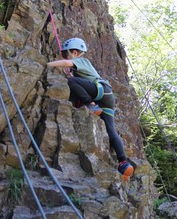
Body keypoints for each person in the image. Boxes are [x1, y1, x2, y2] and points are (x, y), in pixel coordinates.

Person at [47, 37, 134, 181]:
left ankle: (91, 105)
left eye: (65, 54)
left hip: (100, 91)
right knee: (110, 130)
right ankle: (123, 163)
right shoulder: (84, 66)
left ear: (74, 52)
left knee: (70, 81)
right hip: (107, 97)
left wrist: (48, 64)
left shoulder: (81, 60)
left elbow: (65, 63)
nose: (64, 57)